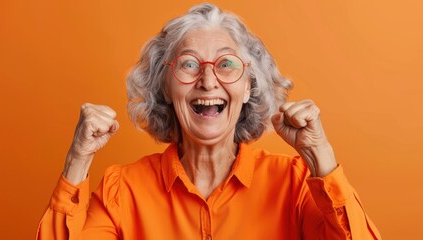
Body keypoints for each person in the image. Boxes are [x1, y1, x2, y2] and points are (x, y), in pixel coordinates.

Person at [37, 3, 381, 240]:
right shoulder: (122, 192)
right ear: (165, 87)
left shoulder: (295, 184)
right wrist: (77, 160)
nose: (208, 79)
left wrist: (320, 154)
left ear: (249, 86)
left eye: (226, 64)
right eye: (189, 64)